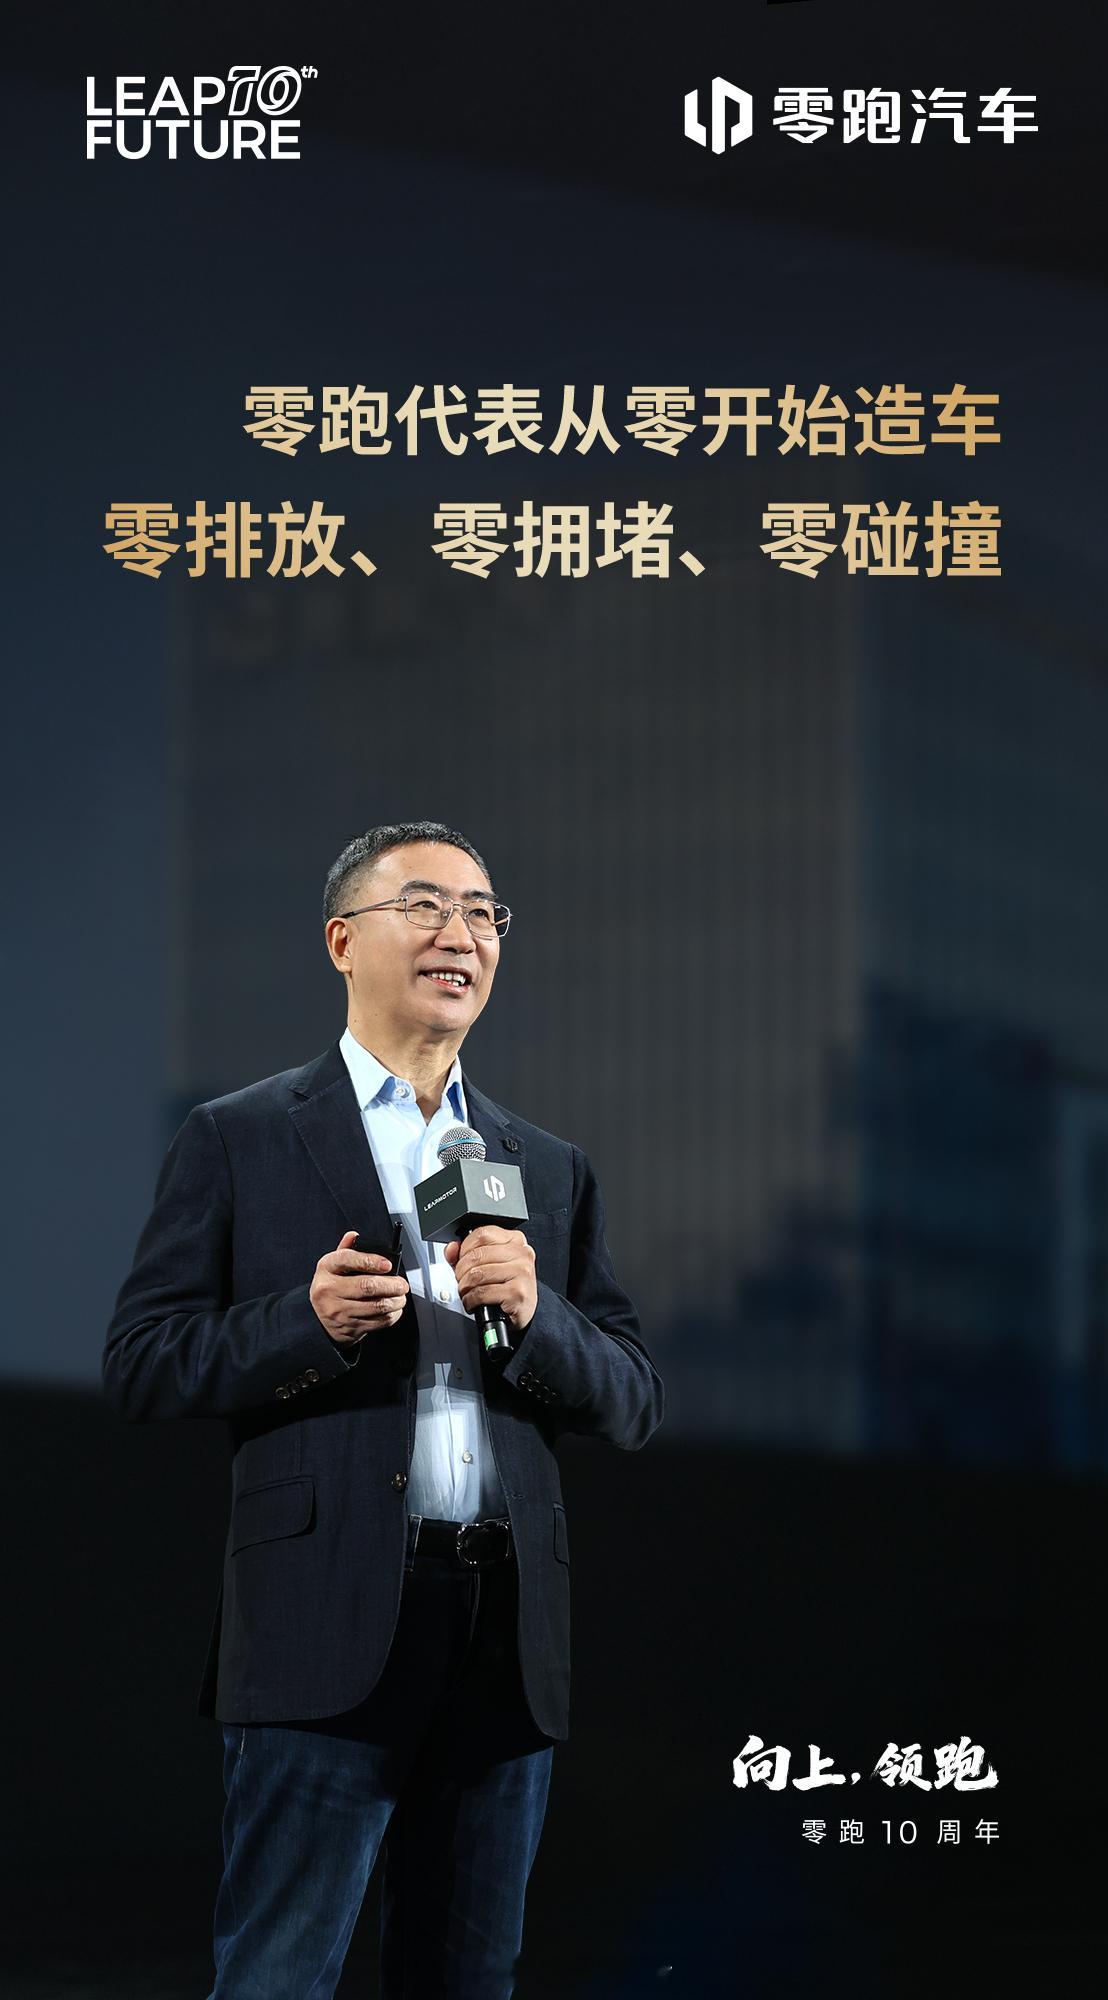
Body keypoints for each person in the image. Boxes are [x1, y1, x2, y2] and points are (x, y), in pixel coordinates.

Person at [103, 818, 664, 2000]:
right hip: (324, 1617)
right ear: (341, 939)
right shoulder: (242, 1134)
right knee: (278, 1974)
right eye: (426, 905)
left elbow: (632, 1397)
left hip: (503, 1632)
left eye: (484, 913)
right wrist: (305, 1323)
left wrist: (538, 1312)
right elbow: (143, 1360)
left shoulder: (543, 1163)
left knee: (469, 1978)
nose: (463, 933)